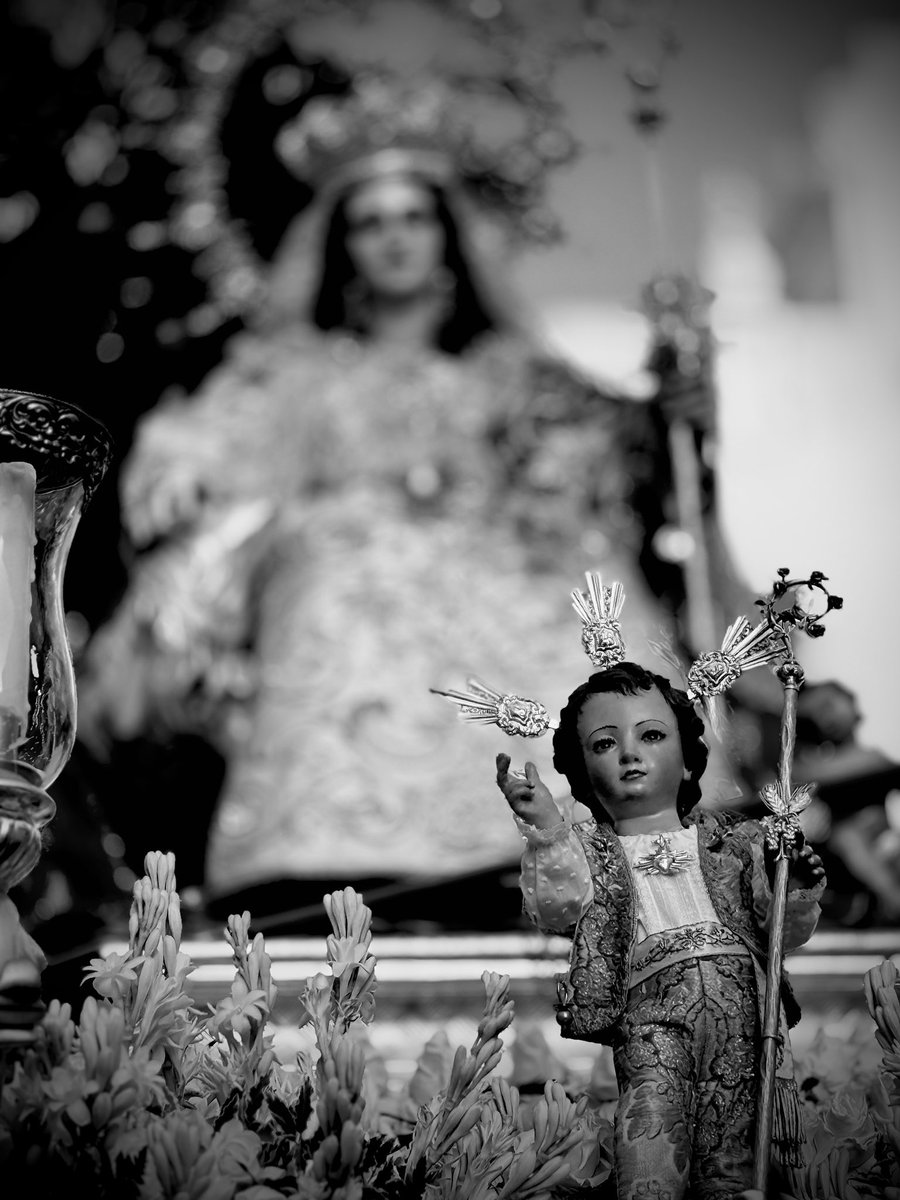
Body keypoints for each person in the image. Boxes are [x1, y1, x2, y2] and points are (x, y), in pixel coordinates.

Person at [76, 77, 766, 930]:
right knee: (342, 563)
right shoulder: (296, 377)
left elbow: (618, 466)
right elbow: (201, 465)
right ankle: (337, 850)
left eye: (413, 217)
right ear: (342, 246)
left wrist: (675, 414)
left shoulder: (518, 379)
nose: (394, 240)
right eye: (370, 222)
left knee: (587, 579)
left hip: (509, 564)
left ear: (447, 235)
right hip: (345, 580)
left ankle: (606, 830)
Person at [496, 661, 825, 1199]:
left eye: (651, 735)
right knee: (653, 1133)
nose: (630, 753)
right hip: (652, 1014)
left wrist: (795, 888)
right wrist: (547, 829)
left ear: (689, 761)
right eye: (605, 744)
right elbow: (558, 905)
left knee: (735, 1152)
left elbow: (777, 931)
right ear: (580, 772)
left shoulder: (736, 842)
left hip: (743, 1008)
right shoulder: (589, 850)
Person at [791, 680, 900, 927]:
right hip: (842, 854)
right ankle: (893, 901)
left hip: (884, 841)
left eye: (829, 705)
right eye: (814, 714)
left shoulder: (872, 758)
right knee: (848, 836)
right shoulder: (812, 766)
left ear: (851, 703)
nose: (825, 716)